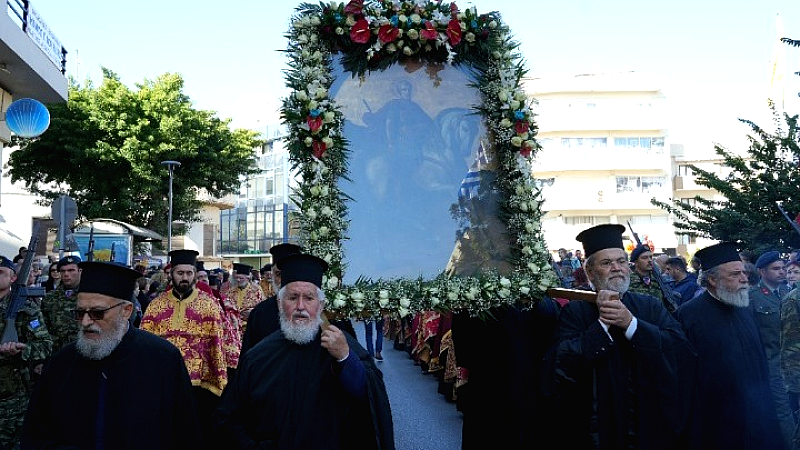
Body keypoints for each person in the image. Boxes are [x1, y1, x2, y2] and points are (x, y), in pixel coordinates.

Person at [215, 253, 395, 449]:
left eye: (309, 298)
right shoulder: (257, 357)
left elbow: (367, 398)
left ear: (321, 304)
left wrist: (345, 358)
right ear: (280, 303)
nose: (300, 306)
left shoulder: (341, 344)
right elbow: (230, 417)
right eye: (293, 297)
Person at [21, 261, 202, 449]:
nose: (85, 321)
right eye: (80, 312)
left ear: (126, 311)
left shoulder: (163, 359)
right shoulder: (62, 363)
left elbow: (185, 433)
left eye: (97, 313)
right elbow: (37, 433)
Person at [549, 224, 695, 449]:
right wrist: (601, 326)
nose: (616, 268)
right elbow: (560, 364)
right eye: (606, 263)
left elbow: (680, 350)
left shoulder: (650, 306)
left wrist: (632, 324)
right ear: (590, 272)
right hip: (597, 428)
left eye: (621, 261)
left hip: (647, 423)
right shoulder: (575, 311)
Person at [676, 242, 785, 449]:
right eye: (735, 275)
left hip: (757, 412)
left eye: (744, 273)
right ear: (712, 279)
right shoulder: (688, 316)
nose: (744, 279)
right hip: (717, 418)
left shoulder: (743, 307)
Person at [140, 249, 227, 449]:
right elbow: (145, 345)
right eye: (180, 273)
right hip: (165, 382)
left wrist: (217, 381)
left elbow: (216, 346)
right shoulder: (156, 306)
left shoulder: (209, 305)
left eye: (189, 273)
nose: (185, 278)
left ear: (195, 274)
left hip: (199, 387)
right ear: (171, 273)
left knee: (196, 435)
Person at [0, 256, 52, 449]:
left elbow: (45, 345)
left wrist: (21, 350)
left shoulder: (26, 310)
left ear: (13, 278)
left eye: (0, 273)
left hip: (12, 400)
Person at [749, 250, 794, 448]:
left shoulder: (787, 292)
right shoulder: (752, 297)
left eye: (784, 268)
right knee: (783, 411)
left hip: (793, 361)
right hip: (772, 364)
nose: (782, 272)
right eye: (776, 269)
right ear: (762, 272)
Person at [240, 243, 303, 357]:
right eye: (278, 274)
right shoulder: (260, 313)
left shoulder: (311, 310)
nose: (284, 280)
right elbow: (248, 357)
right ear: (273, 275)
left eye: (289, 273)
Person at [41, 255, 82, 355]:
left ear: (80, 271)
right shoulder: (50, 297)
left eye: (71, 270)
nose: (66, 274)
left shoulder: (89, 296)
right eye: (63, 271)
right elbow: (43, 326)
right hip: (56, 352)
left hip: (83, 350)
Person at [225, 263, 265, 331]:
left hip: (250, 327)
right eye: (237, 278)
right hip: (234, 327)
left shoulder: (257, 290)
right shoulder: (230, 291)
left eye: (241, 278)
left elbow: (262, 308)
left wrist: (252, 312)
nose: (238, 280)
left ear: (248, 278)